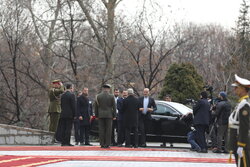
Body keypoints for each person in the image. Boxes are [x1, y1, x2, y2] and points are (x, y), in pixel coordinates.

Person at [228, 74, 250, 166]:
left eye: (237, 87)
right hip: (237, 141)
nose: (235, 90)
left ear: (243, 89)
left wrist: (241, 145)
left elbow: (244, 127)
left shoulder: (244, 105)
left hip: (242, 143)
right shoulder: (241, 103)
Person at [94, 84, 116, 148]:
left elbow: (96, 107)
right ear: (108, 89)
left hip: (100, 115)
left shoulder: (98, 96)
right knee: (108, 130)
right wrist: (114, 115)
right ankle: (107, 144)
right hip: (109, 115)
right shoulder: (111, 96)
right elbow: (114, 107)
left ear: (103, 88)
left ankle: (102, 143)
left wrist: (96, 115)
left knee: (101, 130)